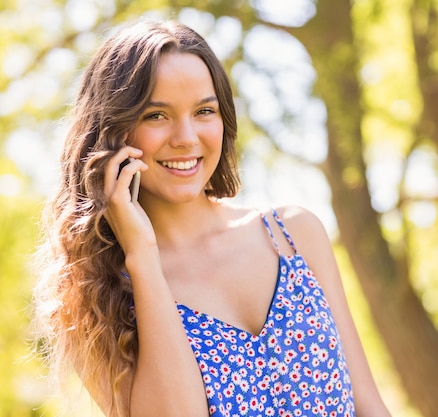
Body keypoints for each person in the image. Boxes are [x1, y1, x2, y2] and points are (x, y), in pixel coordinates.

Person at [33, 19, 391, 417]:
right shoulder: (94, 295)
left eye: (204, 110)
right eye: (156, 115)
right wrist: (143, 256)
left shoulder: (294, 235)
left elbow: (369, 405)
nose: (187, 137)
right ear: (113, 132)